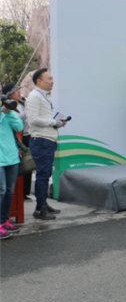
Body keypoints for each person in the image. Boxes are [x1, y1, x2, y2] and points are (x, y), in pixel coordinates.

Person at [26, 68, 68, 220]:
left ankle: (43, 204)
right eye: (49, 79)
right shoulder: (34, 96)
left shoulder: (43, 96)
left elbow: (43, 119)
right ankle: (39, 209)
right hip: (41, 141)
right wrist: (53, 122)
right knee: (43, 175)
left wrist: (57, 123)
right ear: (39, 81)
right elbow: (33, 120)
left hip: (47, 140)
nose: (52, 81)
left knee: (45, 174)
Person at [0, 92, 23, 239]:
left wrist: (9, 112)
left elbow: (19, 126)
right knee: (1, 190)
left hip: (12, 158)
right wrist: (3, 113)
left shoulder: (7, 111)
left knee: (9, 191)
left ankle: (4, 220)